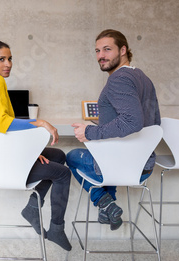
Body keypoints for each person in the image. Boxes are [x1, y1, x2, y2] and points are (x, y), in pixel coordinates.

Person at [0, 40, 72, 251]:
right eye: (2, 59)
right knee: (63, 173)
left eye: (10, 58)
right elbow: (1, 124)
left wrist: (31, 153)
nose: (8, 63)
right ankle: (56, 228)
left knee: (58, 155)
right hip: (1, 166)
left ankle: (33, 208)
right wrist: (40, 122)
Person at [66, 29, 161, 231]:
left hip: (118, 166)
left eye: (107, 49)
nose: (101, 55)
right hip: (141, 168)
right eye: (98, 50)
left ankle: (105, 202)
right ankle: (108, 209)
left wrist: (89, 132)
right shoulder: (142, 77)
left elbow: (132, 121)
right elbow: (151, 122)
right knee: (107, 154)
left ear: (123, 50)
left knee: (72, 156)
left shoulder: (119, 78)